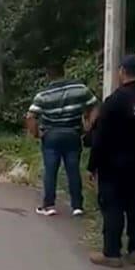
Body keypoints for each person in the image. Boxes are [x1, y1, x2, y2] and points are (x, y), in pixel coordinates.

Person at [87, 54, 135, 268]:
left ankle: (112, 253)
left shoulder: (116, 101)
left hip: (114, 161)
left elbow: (101, 138)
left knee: (112, 206)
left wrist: (92, 166)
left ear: (122, 71)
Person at [26, 62, 98, 217]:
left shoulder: (43, 95)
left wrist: (37, 134)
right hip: (72, 134)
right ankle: (77, 206)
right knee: (73, 170)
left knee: (51, 171)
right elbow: (94, 106)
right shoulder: (79, 89)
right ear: (63, 72)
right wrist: (89, 125)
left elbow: (31, 117)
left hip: (51, 136)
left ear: (48, 76)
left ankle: (49, 205)